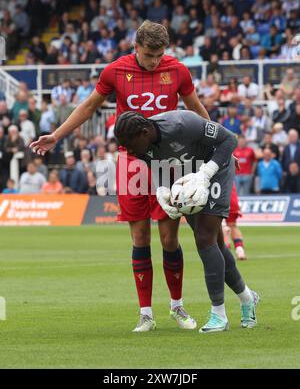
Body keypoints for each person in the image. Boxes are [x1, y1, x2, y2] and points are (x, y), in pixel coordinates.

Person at [30, 20, 211, 332]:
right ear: (136, 47)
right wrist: (57, 136)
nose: (154, 61)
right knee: (140, 236)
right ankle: (145, 313)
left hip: (169, 162)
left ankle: (177, 307)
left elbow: (196, 110)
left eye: (159, 55)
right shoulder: (115, 71)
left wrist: (216, 142)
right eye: (149, 55)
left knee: (169, 238)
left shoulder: (178, 70)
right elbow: (88, 106)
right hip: (131, 163)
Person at [114, 110, 260, 333]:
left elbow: (229, 139)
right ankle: (247, 298)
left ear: (144, 132)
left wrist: (205, 173)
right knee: (216, 245)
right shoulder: (141, 146)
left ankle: (219, 316)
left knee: (204, 238)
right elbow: (155, 164)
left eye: (131, 145)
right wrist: (162, 190)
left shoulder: (183, 123)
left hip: (215, 170)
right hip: (188, 182)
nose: (129, 151)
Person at [222, 183, 247, 260]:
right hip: (230, 194)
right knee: (232, 225)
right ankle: (240, 250)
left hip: (216, 194)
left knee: (218, 227)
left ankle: (226, 252)